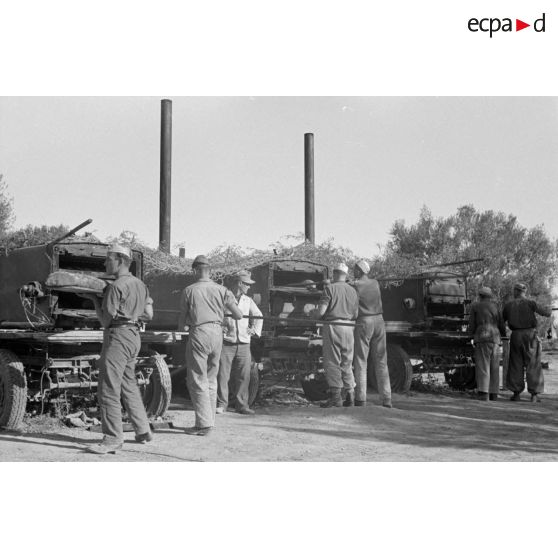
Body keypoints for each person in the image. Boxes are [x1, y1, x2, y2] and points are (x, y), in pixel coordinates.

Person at [83, 243, 153, 454]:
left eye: (108, 259)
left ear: (120, 261)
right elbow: (149, 315)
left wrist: (95, 300)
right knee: (128, 384)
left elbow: (105, 321)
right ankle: (143, 430)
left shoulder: (116, 287)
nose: (105, 263)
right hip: (133, 336)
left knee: (108, 387)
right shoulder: (140, 284)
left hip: (118, 337)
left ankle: (112, 438)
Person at [178, 255, 243, 435]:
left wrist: (186, 324)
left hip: (200, 332)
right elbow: (238, 315)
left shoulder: (189, 290)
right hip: (217, 333)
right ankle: (210, 421)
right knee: (211, 378)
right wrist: (219, 312)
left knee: (198, 378)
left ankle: (203, 424)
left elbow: (182, 323)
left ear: (195, 270)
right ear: (210, 271)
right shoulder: (222, 290)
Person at [216, 270, 263, 415]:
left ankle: (242, 405)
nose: (249, 287)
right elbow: (216, 314)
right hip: (226, 342)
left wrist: (253, 330)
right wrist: (220, 329)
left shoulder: (247, 300)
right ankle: (221, 404)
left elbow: (258, 315)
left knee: (244, 375)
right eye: (247, 284)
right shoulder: (224, 297)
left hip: (244, 343)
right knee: (223, 375)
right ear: (240, 283)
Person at [314, 263, 359, 408]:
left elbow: (321, 312)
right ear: (346, 275)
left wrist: (312, 314)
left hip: (333, 326)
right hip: (349, 326)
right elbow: (356, 314)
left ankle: (335, 398)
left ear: (334, 273)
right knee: (347, 361)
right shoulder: (353, 291)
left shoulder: (330, 288)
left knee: (332, 361)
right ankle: (351, 395)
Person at [352, 259, 392, 408]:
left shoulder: (356, 285)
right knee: (381, 360)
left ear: (359, 271)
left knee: (361, 360)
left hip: (365, 322)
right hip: (380, 321)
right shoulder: (375, 283)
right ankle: (387, 399)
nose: (353, 271)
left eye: (355, 269)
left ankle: (361, 398)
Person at [503, 282, 551, 402]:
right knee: (533, 363)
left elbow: (501, 319)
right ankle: (534, 395)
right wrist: (548, 308)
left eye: (514, 291)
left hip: (516, 336)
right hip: (530, 335)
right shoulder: (530, 303)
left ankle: (516, 394)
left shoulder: (509, 305)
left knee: (515, 364)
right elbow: (547, 313)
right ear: (524, 292)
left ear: (516, 291)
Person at [468, 286, 506, 401]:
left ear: (480, 296)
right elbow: (501, 323)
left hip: (482, 336)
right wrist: (503, 336)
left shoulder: (475, 306)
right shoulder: (496, 306)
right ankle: (494, 394)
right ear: (489, 296)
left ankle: (484, 393)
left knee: (483, 365)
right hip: (495, 337)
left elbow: (472, 324)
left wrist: (470, 335)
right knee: (494, 366)